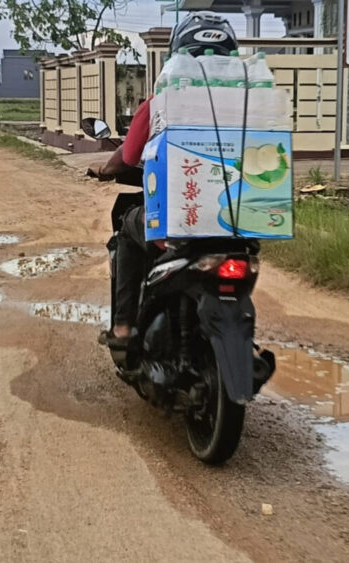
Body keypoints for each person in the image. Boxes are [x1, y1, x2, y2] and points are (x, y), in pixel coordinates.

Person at [90, 11, 239, 349]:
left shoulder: (161, 102)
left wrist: (104, 169)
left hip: (177, 225)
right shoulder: (250, 103)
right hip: (236, 224)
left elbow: (129, 156)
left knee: (128, 228)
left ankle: (123, 327)